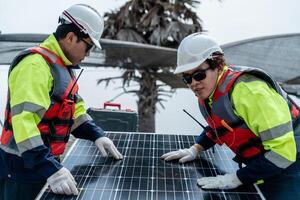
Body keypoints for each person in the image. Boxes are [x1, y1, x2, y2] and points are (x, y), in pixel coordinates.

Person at [0, 4, 123, 200]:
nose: (88, 53)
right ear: (71, 37)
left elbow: (73, 110)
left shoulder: (62, 67)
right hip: (22, 169)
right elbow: (24, 122)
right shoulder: (34, 65)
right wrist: (49, 168)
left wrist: (96, 134)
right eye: (88, 46)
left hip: (43, 163)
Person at [161, 33, 300, 199]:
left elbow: (283, 153)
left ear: (218, 66)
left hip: (291, 166)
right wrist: (195, 149)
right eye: (187, 78)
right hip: (263, 166)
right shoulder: (211, 94)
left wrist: (236, 178)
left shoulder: (251, 93)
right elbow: (220, 126)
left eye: (199, 75)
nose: (193, 83)